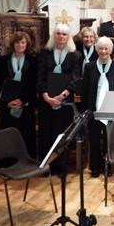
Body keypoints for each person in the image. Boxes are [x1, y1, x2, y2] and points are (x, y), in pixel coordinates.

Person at [80, 37, 114, 177]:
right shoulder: (90, 67)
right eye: (100, 48)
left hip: (112, 110)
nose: (103, 51)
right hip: (94, 109)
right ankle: (95, 166)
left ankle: (109, 165)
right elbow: (85, 90)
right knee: (94, 139)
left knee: (110, 139)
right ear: (97, 50)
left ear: (111, 50)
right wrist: (85, 110)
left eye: (106, 48)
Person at [37, 23, 81, 166]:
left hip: (65, 100)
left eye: (64, 34)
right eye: (58, 33)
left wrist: (61, 96)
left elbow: (76, 78)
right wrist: (47, 97)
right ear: (53, 36)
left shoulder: (75, 55)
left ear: (68, 37)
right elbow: (40, 77)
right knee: (46, 133)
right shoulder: (45, 53)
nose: (61, 36)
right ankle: (45, 164)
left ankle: (60, 165)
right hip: (46, 100)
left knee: (61, 133)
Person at [0, 31, 38, 158]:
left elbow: (34, 84)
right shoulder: (3, 60)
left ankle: (26, 161)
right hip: (7, 104)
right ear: (13, 44)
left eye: (23, 42)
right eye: (17, 42)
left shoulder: (33, 61)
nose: (20, 45)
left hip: (25, 104)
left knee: (26, 134)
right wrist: (7, 101)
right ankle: (7, 162)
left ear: (27, 44)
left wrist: (23, 100)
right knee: (7, 134)